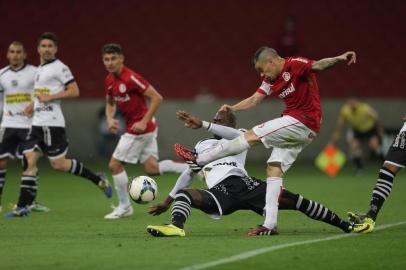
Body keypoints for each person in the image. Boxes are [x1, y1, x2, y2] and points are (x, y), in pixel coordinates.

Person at [175, 47, 357, 235]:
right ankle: (269, 225)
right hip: (300, 129)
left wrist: (339, 58)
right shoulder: (271, 78)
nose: (262, 74)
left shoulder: (295, 65)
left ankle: (199, 160)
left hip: (301, 121)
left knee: (251, 136)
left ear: (271, 61)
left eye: (262, 69)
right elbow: (254, 99)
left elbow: (318, 65)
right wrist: (232, 109)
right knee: (273, 168)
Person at [147, 110, 355, 237]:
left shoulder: (240, 135)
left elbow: (233, 134)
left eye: (220, 120)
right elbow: (189, 172)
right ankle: (176, 227)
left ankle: (345, 225)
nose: (215, 122)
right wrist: (167, 201)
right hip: (221, 191)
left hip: (244, 184)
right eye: (214, 119)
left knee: (298, 202)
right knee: (186, 194)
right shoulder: (203, 144)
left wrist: (204, 123)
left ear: (231, 124)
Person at [4, 32, 112, 218]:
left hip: (52, 125)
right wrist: (33, 105)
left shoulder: (59, 68)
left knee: (59, 165)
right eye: (43, 46)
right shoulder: (40, 69)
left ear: (55, 49)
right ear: (38, 49)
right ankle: (22, 207)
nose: (46, 49)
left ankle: (97, 179)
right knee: (29, 160)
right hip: (37, 125)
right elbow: (41, 94)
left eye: (50, 46)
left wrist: (51, 97)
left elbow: (74, 91)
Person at [102, 43, 188, 219]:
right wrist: (110, 118)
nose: (110, 62)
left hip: (139, 130)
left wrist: (143, 121)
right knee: (152, 168)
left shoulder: (130, 77)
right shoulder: (109, 80)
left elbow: (157, 97)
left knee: (114, 165)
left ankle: (125, 207)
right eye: (106, 59)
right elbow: (110, 101)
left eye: (113, 58)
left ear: (121, 59)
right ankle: (191, 168)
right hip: (144, 128)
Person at [0, 41, 49, 213]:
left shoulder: (35, 73)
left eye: (18, 52)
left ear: (24, 54)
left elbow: (44, 93)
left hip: (29, 125)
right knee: (1, 162)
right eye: (11, 51)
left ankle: (30, 202)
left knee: (29, 162)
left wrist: (34, 105)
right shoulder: (2, 74)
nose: (15, 55)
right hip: (8, 125)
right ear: (7, 54)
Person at [349, 115, 405, 233]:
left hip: (370, 132)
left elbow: (374, 116)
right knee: (388, 169)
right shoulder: (347, 111)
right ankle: (371, 215)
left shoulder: (364, 109)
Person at [331, 98, 383, 173]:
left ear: (357, 103)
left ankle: (384, 163)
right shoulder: (346, 110)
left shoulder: (365, 108)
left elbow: (376, 117)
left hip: (369, 129)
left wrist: (380, 129)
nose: (352, 105)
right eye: (350, 103)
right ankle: (359, 168)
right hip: (357, 130)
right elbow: (341, 123)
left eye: (354, 103)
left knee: (374, 146)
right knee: (354, 147)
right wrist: (337, 133)